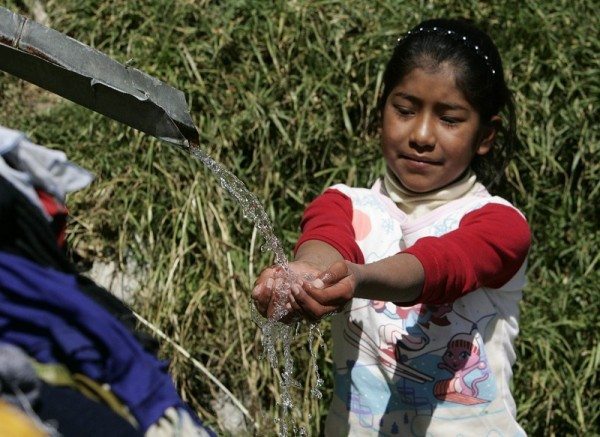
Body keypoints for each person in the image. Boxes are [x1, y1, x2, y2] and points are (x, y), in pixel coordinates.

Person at [252, 18, 531, 436]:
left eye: (450, 119)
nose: (421, 135)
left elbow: (441, 265)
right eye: (404, 110)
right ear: (381, 109)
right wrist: (306, 276)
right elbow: (324, 244)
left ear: (486, 135)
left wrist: (357, 278)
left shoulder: (500, 224)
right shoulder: (344, 204)